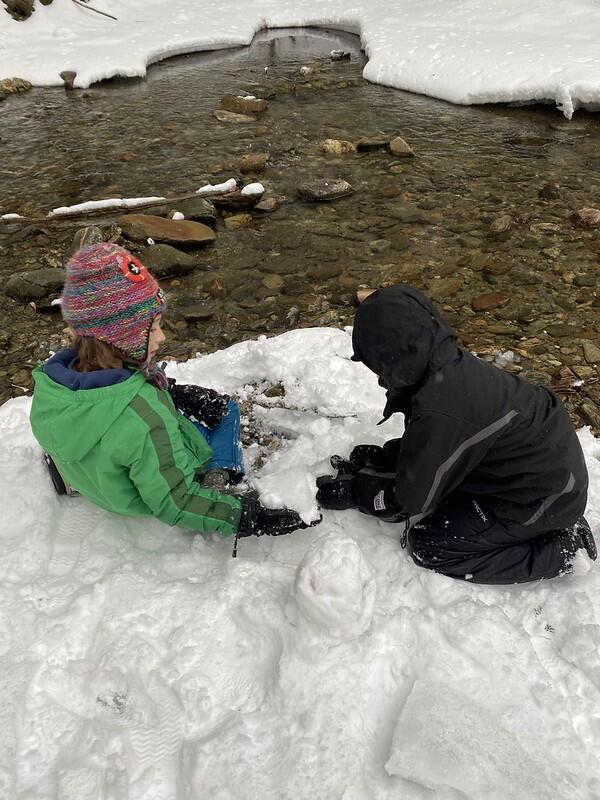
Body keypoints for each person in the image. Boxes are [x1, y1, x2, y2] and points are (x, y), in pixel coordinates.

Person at [30, 242, 316, 551]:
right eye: (152, 328)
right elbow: (176, 503)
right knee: (227, 411)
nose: (162, 337)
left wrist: (169, 391)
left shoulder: (51, 382)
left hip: (102, 479)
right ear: (120, 338)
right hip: (156, 490)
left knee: (162, 418)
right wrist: (248, 516)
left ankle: (79, 475)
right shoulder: (143, 419)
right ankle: (216, 481)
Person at [316, 284, 596, 584]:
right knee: (433, 483)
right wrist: (394, 458)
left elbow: (408, 502)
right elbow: (456, 440)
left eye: (380, 368)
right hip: (534, 468)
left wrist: (357, 491)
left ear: (399, 356)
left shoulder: (443, 404)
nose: (380, 379)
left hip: (542, 499)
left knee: (431, 545)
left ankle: (565, 550)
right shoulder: (445, 365)